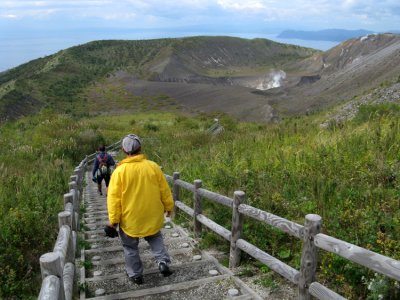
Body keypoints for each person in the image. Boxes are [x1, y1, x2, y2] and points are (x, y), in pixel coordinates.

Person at [107, 134, 174, 284]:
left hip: (130, 218)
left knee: (130, 247)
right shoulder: (153, 166)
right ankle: (162, 262)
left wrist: (113, 221)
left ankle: (136, 274)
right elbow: (164, 190)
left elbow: (114, 199)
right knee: (156, 238)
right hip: (152, 214)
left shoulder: (119, 172)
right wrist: (168, 206)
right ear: (140, 148)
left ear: (123, 149)